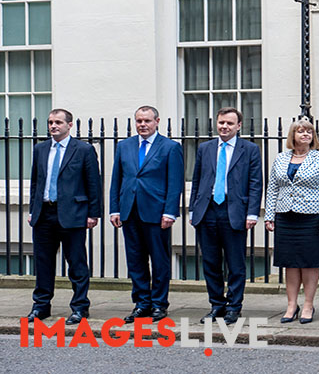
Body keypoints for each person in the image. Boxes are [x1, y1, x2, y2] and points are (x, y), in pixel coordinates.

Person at [27, 109, 101, 325]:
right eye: (50, 122)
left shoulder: (83, 150)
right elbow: (35, 182)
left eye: (58, 122)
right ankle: (41, 306)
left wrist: (93, 213)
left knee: (77, 263)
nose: (53, 126)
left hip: (73, 214)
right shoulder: (40, 149)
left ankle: (79, 307)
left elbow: (93, 183)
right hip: (44, 213)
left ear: (69, 125)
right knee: (43, 262)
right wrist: (33, 209)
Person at [110, 105, 184, 323]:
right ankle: (142, 303)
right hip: (129, 210)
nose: (142, 124)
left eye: (147, 121)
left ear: (157, 121)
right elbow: (117, 179)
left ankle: (159, 304)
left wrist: (170, 212)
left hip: (156, 212)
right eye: (139, 121)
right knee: (135, 261)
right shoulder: (124, 146)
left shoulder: (170, 147)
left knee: (159, 260)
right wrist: (115, 208)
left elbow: (175, 183)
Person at [189, 107, 262, 325]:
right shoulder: (205, 148)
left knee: (235, 264)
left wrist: (252, 212)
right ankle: (216, 306)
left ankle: (234, 307)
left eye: (229, 123)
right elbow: (197, 180)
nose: (224, 127)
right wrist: (193, 209)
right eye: (221, 122)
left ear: (238, 126)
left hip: (234, 211)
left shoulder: (249, 149)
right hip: (207, 211)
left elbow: (256, 183)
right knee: (210, 262)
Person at [265, 118, 319, 324]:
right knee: (290, 263)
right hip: (285, 216)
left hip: (312, 218)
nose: (305, 135)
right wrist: (269, 215)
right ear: (293, 135)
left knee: (310, 263)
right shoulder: (280, 158)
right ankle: (291, 305)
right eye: (301, 131)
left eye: (309, 132)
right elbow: (273, 189)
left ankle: (308, 305)